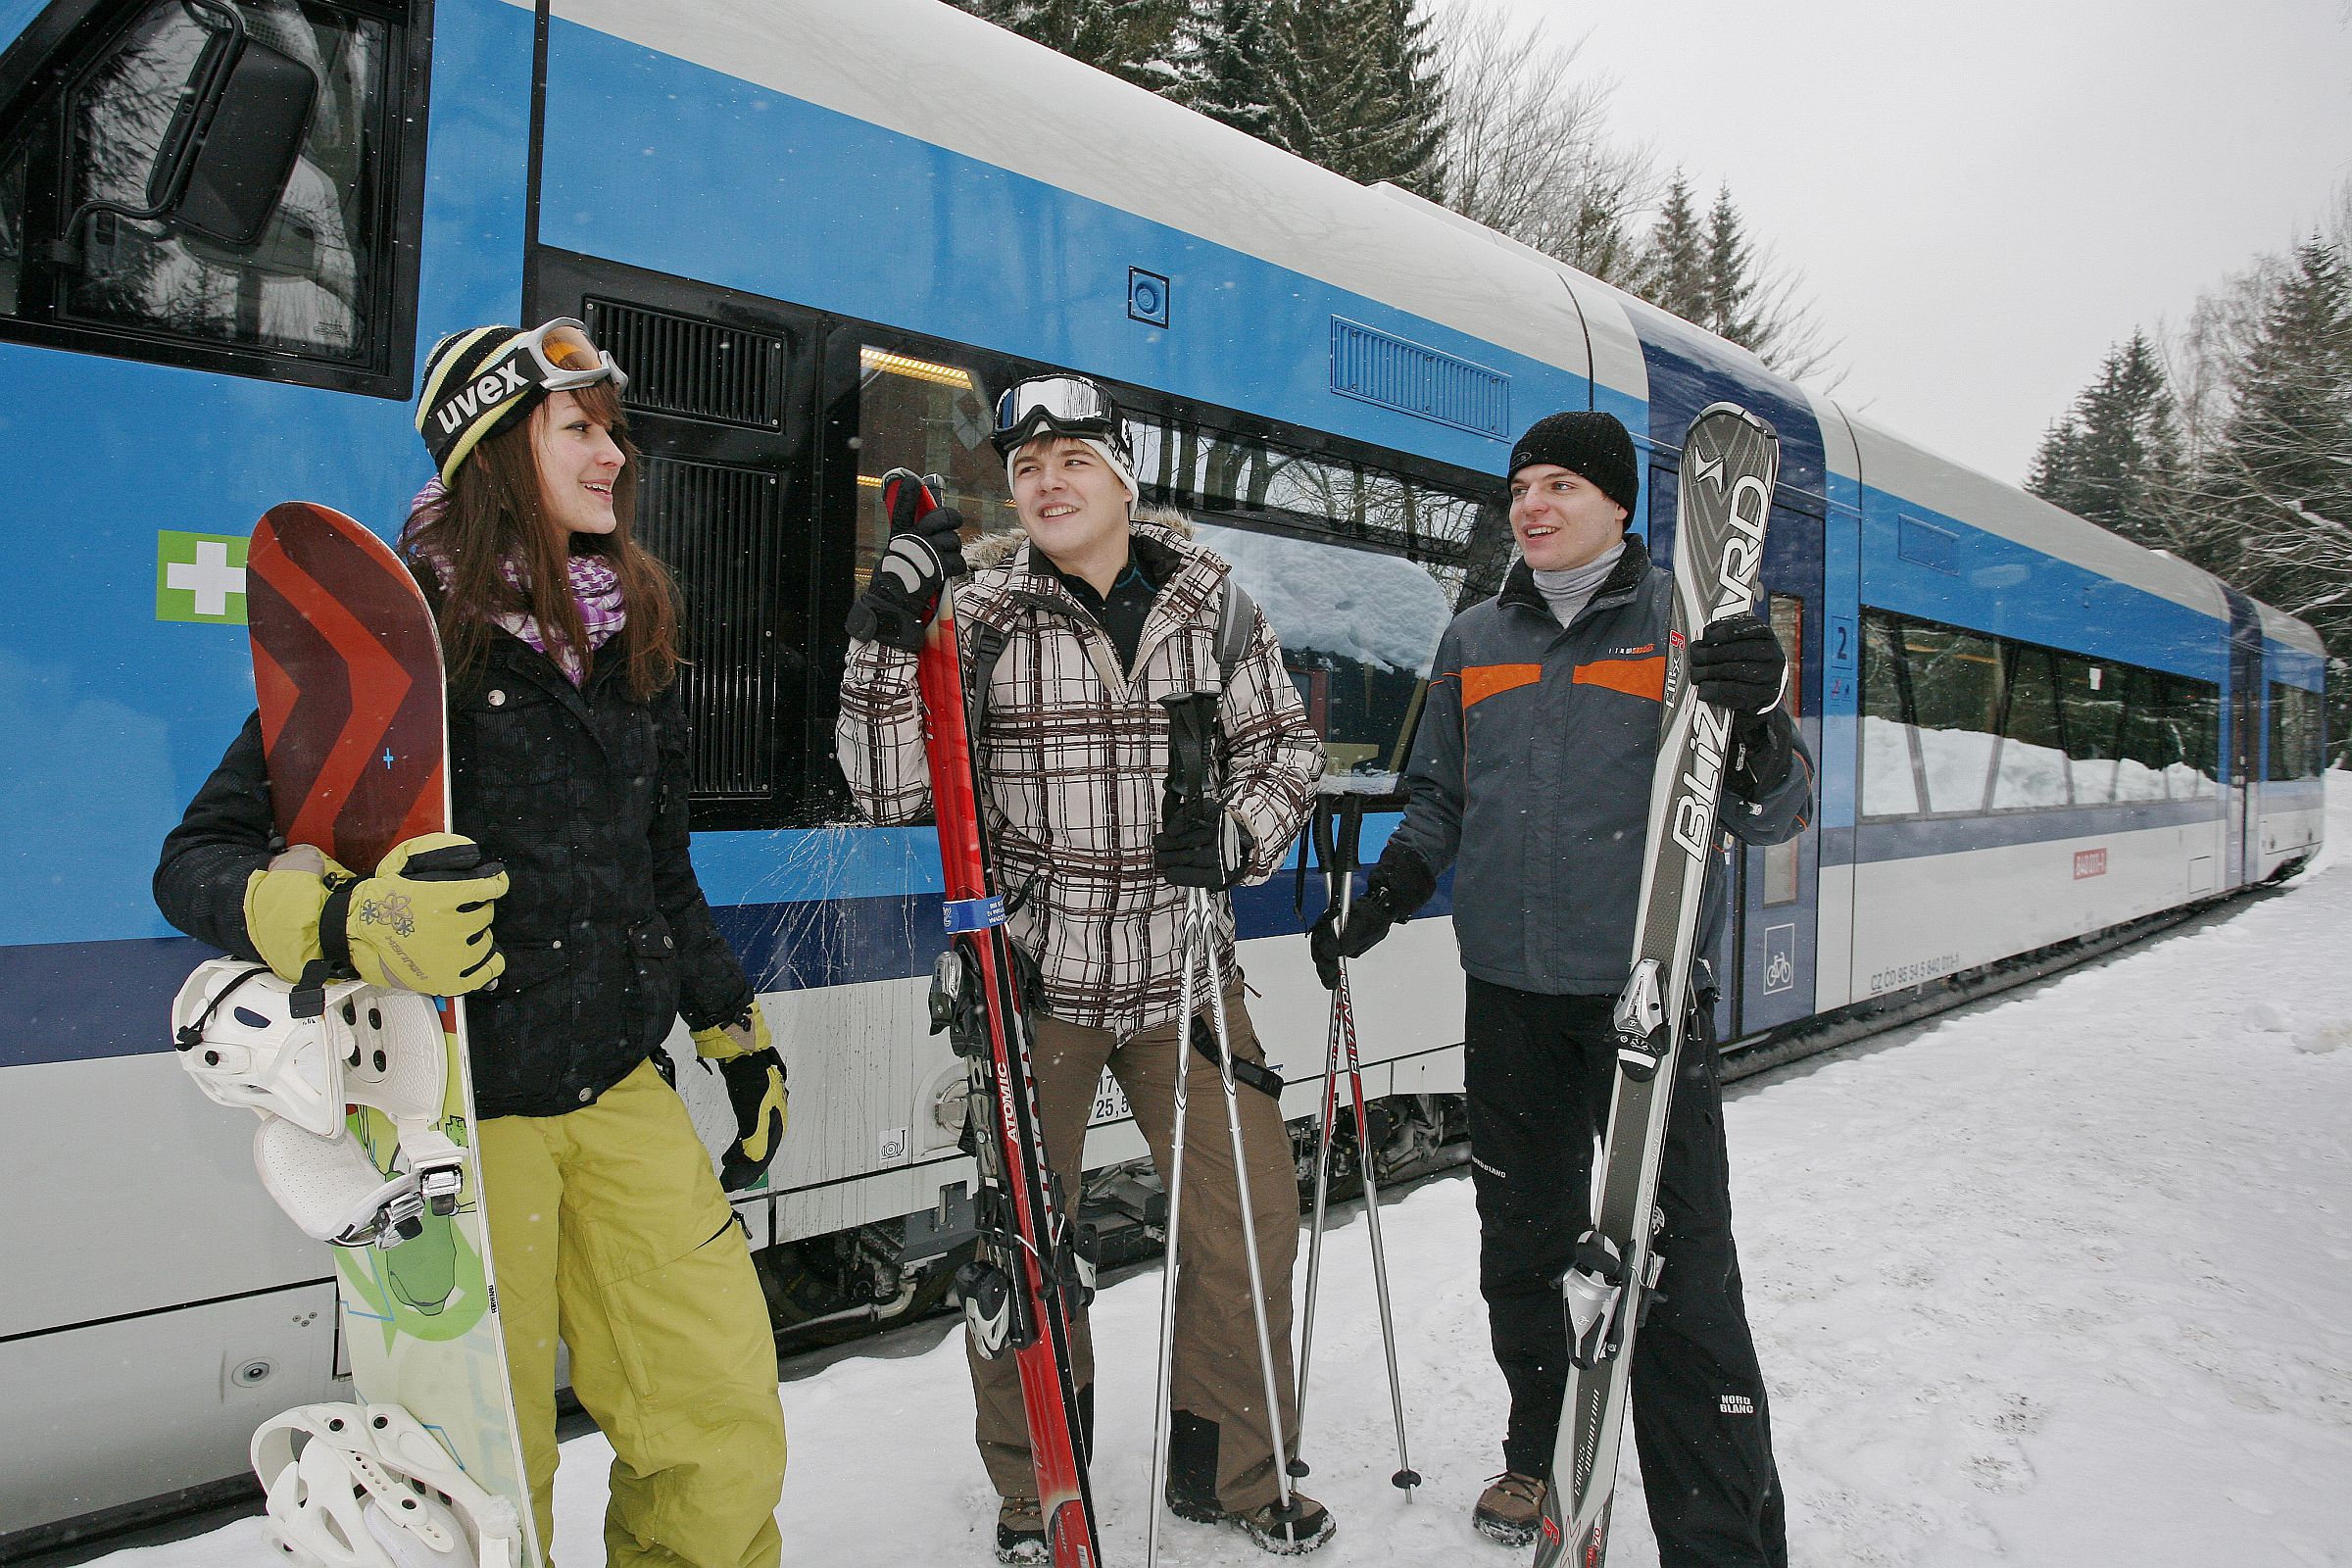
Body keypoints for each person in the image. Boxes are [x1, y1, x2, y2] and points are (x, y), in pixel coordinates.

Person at [154, 320, 791, 1568]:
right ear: (498, 448)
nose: (616, 454)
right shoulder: (393, 648)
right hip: (457, 1114)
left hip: (618, 1090)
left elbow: (661, 870)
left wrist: (731, 1026)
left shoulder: (633, 636)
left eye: (615, 428)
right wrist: (347, 920)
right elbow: (197, 860)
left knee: (716, 1417)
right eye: (582, 428)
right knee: (485, 1470)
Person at [835, 373, 1329, 1560]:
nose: (1046, 481)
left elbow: (1286, 751)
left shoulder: (1212, 606)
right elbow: (886, 785)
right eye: (1025, 466)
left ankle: (1235, 1473)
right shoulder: (985, 610)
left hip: (1184, 976)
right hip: (1036, 985)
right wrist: (882, 639)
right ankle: (1039, 1482)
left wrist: (1240, 832)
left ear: (1123, 477)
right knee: (1022, 1242)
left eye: (1071, 459)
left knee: (1247, 1215)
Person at [1315, 411, 1810, 1565]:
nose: (1532, 506)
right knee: (1524, 1241)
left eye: (1561, 486)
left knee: (1680, 1264)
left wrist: (1761, 724)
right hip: (1512, 994)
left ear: (1622, 505)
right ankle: (1543, 1450)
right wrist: (1387, 892)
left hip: (1644, 1000)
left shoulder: (1691, 630)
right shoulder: (1478, 633)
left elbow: (1766, 808)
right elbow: (1439, 794)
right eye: (1520, 488)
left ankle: (1717, 1529)